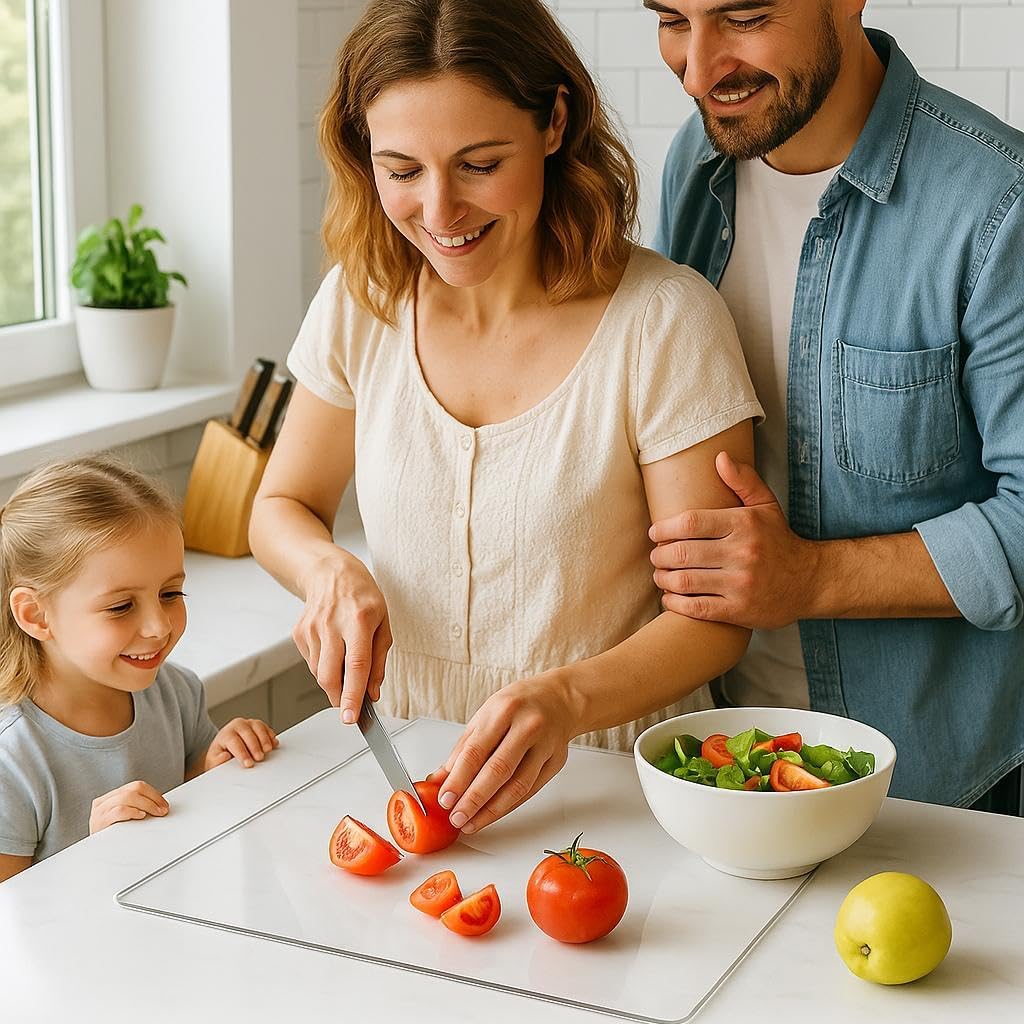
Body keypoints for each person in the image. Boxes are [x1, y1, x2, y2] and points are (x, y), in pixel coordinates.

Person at [249, 0, 763, 836]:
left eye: (480, 164)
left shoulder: (664, 320)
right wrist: (326, 573)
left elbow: (716, 618)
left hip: (619, 783)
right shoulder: (362, 299)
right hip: (412, 761)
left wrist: (567, 698)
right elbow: (280, 508)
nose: (441, 212)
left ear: (555, 121)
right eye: (402, 170)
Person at [644, 0, 1024, 813]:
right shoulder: (696, 165)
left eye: (743, 17)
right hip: (730, 757)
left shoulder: (999, 205)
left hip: (935, 789)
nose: (700, 69)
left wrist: (806, 579)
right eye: (673, 19)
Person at [0, 456, 278, 883]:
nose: (159, 626)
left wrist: (214, 762)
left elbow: (183, 800)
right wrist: (95, 858)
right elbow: (13, 925)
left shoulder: (175, 692)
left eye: (170, 593)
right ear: (36, 615)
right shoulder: (12, 758)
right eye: (121, 606)